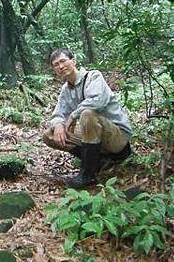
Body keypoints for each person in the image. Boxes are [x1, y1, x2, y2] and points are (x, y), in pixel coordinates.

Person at [42, 48, 132, 188]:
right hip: (95, 136)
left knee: (87, 114)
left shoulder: (93, 76)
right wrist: (58, 124)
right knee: (49, 135)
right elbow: (57, 114)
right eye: (56, 65)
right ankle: (97, 161)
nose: (60, 66)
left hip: (118, 137)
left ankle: (88, 174)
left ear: (74, 61)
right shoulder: (66, 90)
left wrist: (73, 115)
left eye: (63, 61)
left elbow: (97, 100)